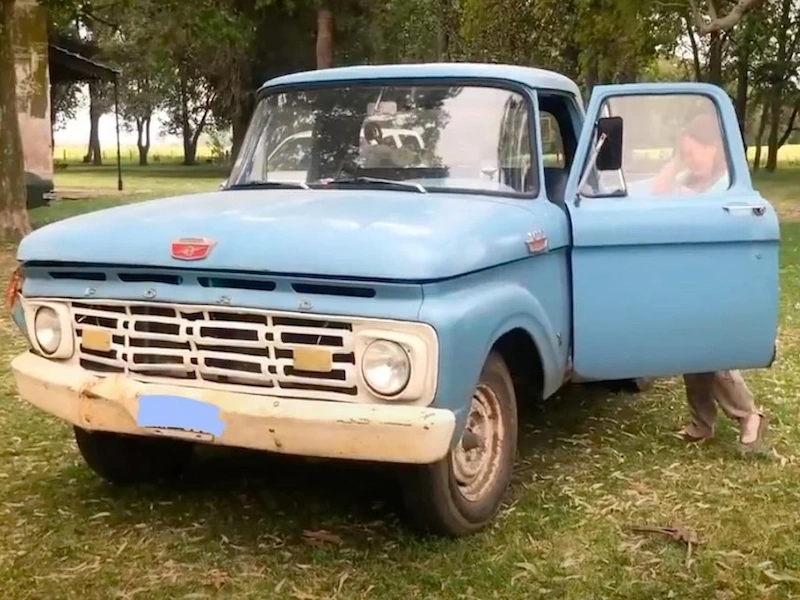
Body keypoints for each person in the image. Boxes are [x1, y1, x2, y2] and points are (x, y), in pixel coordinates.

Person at [650, 112, 768, 450]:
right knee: (690, 348)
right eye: (684, 154)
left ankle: (749, 414)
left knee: (707, 347)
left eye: (694, 152)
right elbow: (657, 193)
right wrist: (676, 161)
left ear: (715, 148)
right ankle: (702, 422)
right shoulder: (689, 178)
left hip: (716, 274)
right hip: (688, 274)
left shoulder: (726, 184)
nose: (690, 160)